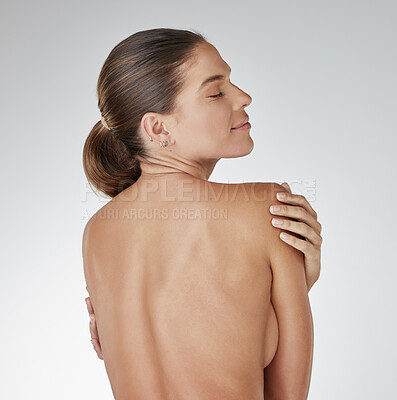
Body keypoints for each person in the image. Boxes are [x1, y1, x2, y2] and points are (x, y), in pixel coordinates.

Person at [82, 28, 322, 400]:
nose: (244, 97)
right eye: (217, 92)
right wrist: (294, 289)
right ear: (157, 127)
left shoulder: (96, 232)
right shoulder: (266, 208)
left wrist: (285, 290)